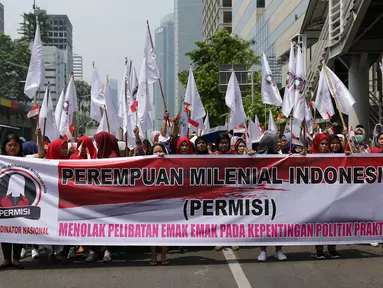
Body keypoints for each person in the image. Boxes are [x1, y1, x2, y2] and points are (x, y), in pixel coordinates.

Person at [86, 132, 120, 263]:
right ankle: (94, 250)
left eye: (97, 141)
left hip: (111, 199)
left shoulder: (116, 160)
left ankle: (108, 250)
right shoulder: (94, 158)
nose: (95, 144)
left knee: (110, 225)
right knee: (95, 224)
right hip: (96, 199)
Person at [256, 133, 287, 261]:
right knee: (263, 223)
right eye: (276, 142)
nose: (278, 144)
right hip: (262, 196)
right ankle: (263, 250)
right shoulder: (257, 158)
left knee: (279, 223)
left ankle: (279, 250)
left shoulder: (281, 157)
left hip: (278, 195)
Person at [312, 134, 341, 259]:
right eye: (321, 143)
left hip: (331, 196)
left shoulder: (334, 157)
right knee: (319, 224)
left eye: (325, 144)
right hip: (317, 196)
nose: (324, 146)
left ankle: (332, 249)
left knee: (332, 223)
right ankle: (319, 250)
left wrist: (349, 156)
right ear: (317, 144)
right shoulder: (310, 158)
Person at [0, 134, 24, 270]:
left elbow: (40, 154)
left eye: (15, 145)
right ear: (4, 147)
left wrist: (38, 137)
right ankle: (7, 259)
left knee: (19, 229)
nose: (12, 147)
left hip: (20, 202)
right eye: (9, 145)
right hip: (3, 201)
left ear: (19, 146)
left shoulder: (26, 160)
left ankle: (16, 259)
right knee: (4, 229)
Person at [149, 143, 169, 265]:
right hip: (151, 203)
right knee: (152, 232)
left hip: (166, 203)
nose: (157, 154)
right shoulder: (146, 165)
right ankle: (153, 257)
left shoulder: (169, 164)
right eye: (155, 152)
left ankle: (164, 256)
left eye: (160, 151)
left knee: (164, 232)